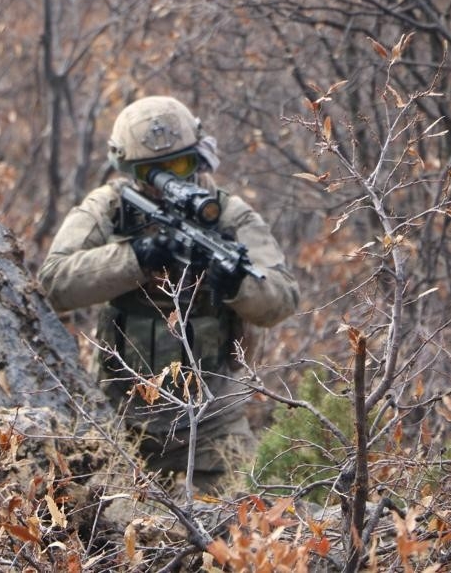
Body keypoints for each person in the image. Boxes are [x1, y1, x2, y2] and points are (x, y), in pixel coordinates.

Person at [38, 96, 298, 491]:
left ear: (199, 157)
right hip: (118, 414)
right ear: (128, 170)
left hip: (213, 418)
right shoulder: (110, 207)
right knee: (96, 513)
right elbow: (53, 283)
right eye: (153, 173)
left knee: (251, 510)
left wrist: (236, 286)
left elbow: (282, 299)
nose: (170, 182)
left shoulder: (228, 215)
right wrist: (136, 258)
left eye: (179, 166)